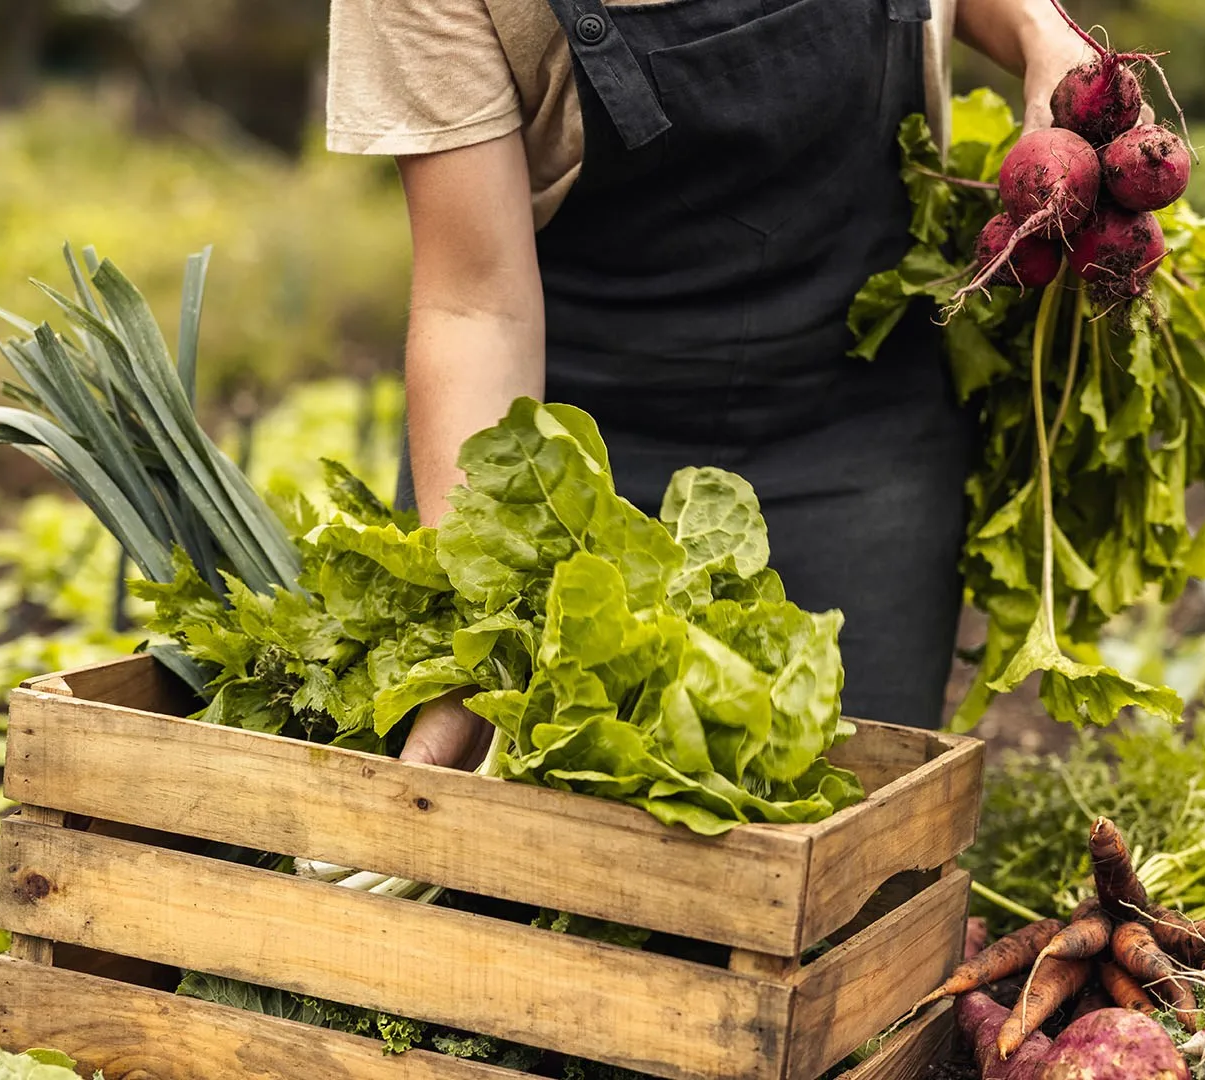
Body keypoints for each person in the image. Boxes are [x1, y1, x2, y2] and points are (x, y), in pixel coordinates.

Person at [327, 0, 1090, 764]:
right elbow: (476, 307)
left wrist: (1038, 31)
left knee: (852, 834)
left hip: (864, 421)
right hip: (571, 469)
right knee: (523, 860)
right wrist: (473, 620)